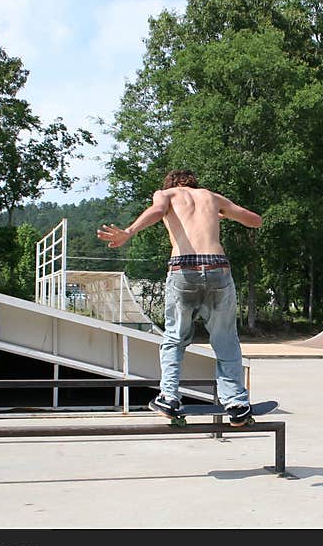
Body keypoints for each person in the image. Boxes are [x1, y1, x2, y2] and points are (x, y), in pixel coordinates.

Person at [96, 169, 262, 426]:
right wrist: (222, 214)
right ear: (194, 184)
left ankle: (170, 397)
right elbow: (254, 220)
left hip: (183, 269)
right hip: (218, 267)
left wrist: (129, 231)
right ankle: (237, 403)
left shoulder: (165, 194)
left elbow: (157, 211)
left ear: (171, 184)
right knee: (225, 339)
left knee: (175, 336)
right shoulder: (211, 197)